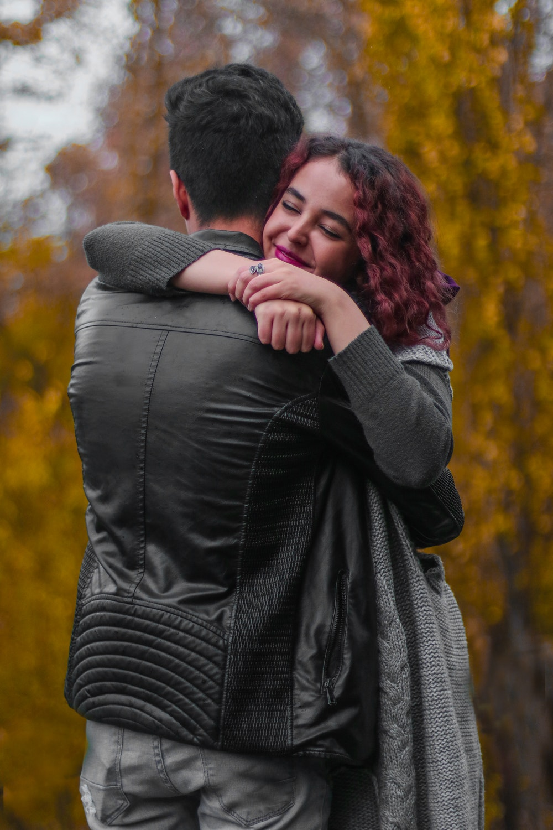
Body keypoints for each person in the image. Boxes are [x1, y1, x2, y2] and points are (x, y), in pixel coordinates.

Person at [68, 66, 481, 830]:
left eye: (331, 227)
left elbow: (107, 244)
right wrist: (268, 284)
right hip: (249, 725)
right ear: (270, 198)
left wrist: (324, 303)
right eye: (291, 206)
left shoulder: (102, 304)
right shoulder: (294, 347)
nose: (296, 232)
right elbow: (433, 504)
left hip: (118, 704)